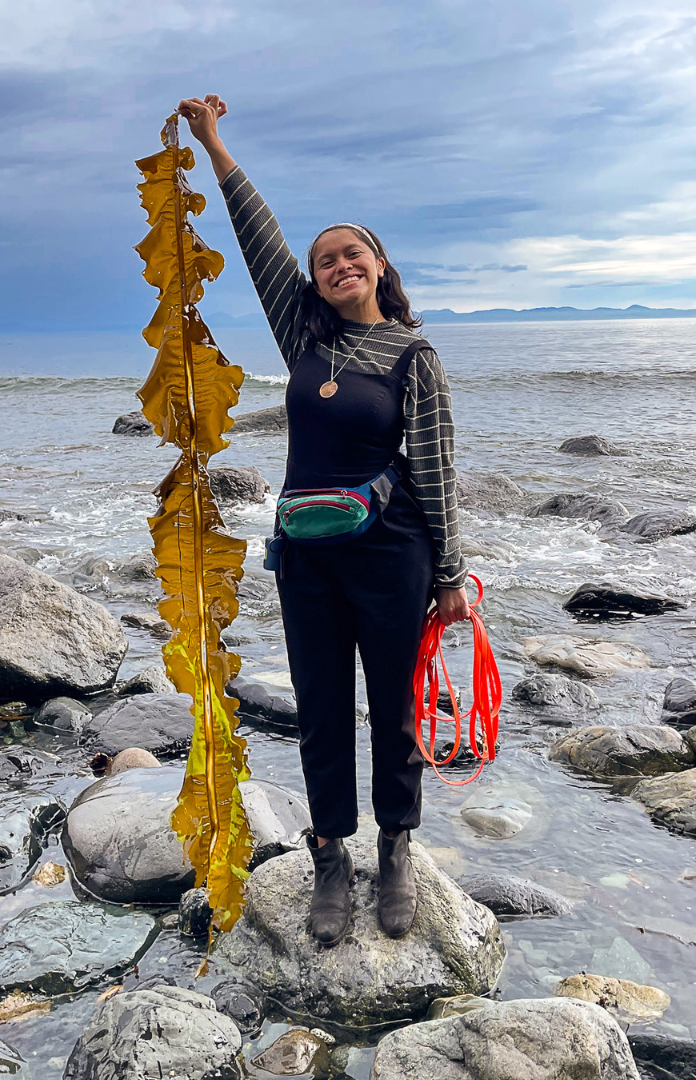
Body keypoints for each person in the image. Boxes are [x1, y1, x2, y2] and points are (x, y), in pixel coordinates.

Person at [179, 94, 471, 946]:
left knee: (394, 709)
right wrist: (214, 145)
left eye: (354, 253)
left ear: (380, 266)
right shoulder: (302, 340)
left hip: (393, 554)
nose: (339, 265)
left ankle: (398, 847)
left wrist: (451, 575)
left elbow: (437, 470)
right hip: (307, 556)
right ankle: (332, 857)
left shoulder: (414, 355)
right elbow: (260, 240)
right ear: (314, 280)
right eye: (326, 260)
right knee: (318, 709)